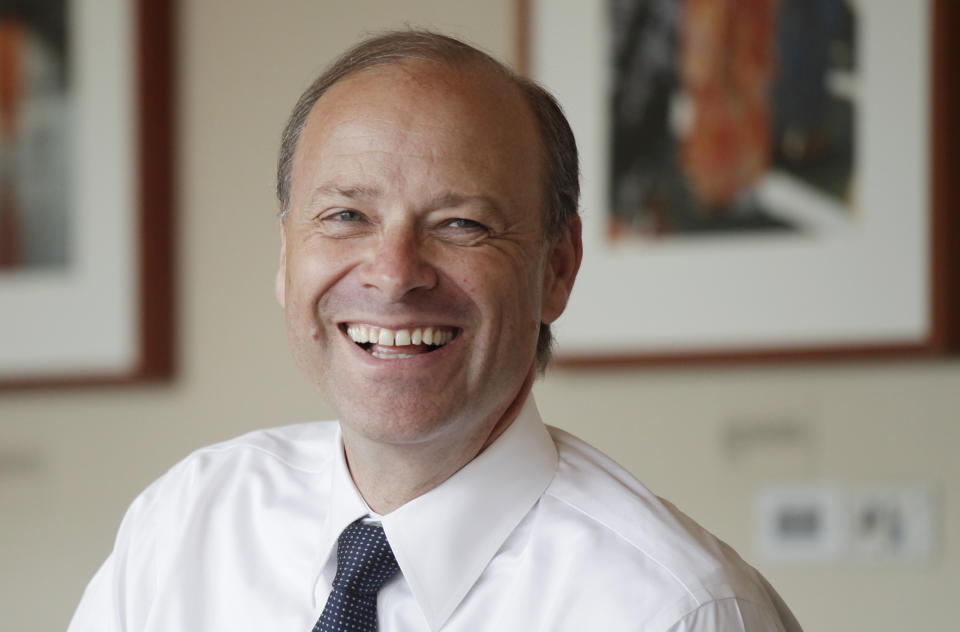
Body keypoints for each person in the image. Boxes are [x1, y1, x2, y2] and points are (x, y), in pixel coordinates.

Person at [68, 30, 802, 631]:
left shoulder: (675, 610)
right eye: (346, 216)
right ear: (286, 256)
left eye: (461, 223)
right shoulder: (187, 522)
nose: (392, 275)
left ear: (558, 268)